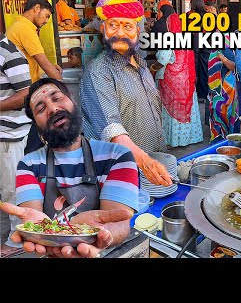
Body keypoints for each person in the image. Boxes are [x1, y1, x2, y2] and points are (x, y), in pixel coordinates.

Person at [0, 78, 139, 258]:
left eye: (57, 98)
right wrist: (41, 233)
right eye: (41, 109)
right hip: (54, 252)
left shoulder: (118, 156)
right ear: (37, 125)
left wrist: (102, 236)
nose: (52, 109)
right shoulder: (29, 166)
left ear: (72, 100)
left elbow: (119, 221)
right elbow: (34, 219)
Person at [80, 0, 172, 187]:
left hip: (152, 164)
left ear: (138, 31)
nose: (120, 33)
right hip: (123, 173)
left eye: (128, 26)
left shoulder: (141, 64)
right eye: (114, 25)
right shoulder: (98, 71)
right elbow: (111, 129)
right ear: (103, 28)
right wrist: (145, 161)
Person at [6, 0, 63, 155]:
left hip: (20, 90)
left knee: (34, 136)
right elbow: (42, 61)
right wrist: (61, 87)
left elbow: (36, 60)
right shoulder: (25, 29)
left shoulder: (18, 26)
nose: (46, 21)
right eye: (46, 16)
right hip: (21, 92)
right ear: (36, 8)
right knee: (34, 139)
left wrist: (52, 67)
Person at [152, 5, 203, 147]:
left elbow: (162, 60)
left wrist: (151, 69)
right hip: (185, 81)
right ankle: (190, 138)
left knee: (173, 111)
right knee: (187, 107)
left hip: (172, 82)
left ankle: (175, 140)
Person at [0, 33, 32, 251]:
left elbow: (25, 94)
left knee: (11, 189)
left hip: (9, 136)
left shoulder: (9, 53)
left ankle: (17, 238)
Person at [208, 33, 239, 143]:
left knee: (222, 112)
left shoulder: (225, 43)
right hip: (219, 85)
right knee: (220, 112)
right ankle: (222, 139)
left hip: (225, 86)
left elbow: (234, 66)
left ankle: (223, 140)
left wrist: (222, 58)